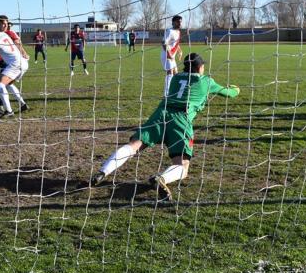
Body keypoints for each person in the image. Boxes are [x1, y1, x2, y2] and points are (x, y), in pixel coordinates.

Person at [90, 53, 240, 201]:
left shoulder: (176, 77)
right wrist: (236, 88)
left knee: (134, 145)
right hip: (181, 119)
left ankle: (102, 172)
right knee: (182, 165)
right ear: (200, 67)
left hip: (161, 114)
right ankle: (161, 178)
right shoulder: (206, 81)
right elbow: (230, 93)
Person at [0, 20, 29, 118]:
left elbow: (18, 43)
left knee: (0, 84)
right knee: (8, 84)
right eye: (3, 23)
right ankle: (22, 104)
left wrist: (24, 53)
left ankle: (8, 110)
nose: (6, 25)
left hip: (13, 63)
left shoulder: (7, 33)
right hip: (15, 62)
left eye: (6, 23)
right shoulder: (2, 34)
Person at [162, 15, 183, 95]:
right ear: (173, 22)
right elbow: (164, 43)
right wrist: (168, 54)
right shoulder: (169, 31)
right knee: (170, 73)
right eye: (178, 22)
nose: (180, 23)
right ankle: (166, 94)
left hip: (172, 56)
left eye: (180, 22)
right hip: (166, 55)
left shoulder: (178, 32)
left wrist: (180, 51)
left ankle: (174, 92)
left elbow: (176, 44)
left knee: (176, 74)